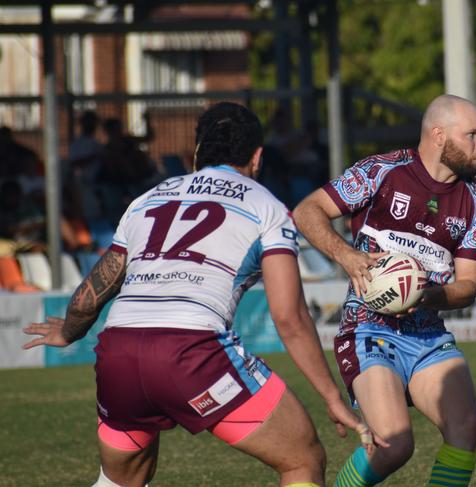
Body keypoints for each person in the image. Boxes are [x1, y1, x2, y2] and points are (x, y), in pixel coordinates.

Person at [23, 102, 385, 487]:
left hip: (119, 353)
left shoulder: (146, 200)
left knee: (122, 479)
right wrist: (330, 395)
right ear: (257, 157)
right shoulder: (266, 207)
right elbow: (288, 317)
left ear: (195, 153)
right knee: (302, 459)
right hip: (192, 353)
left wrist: (69, 331)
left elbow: (98, 286)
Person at [293, 94, 476, 487]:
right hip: (368, 330)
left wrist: (423, 295)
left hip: (427, 336)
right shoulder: (382, 171)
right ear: (439, 135)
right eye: (472, 134)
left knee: (467, 425)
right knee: (393, 445)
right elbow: (307, 211)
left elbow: (467, 286)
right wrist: (347, 256)